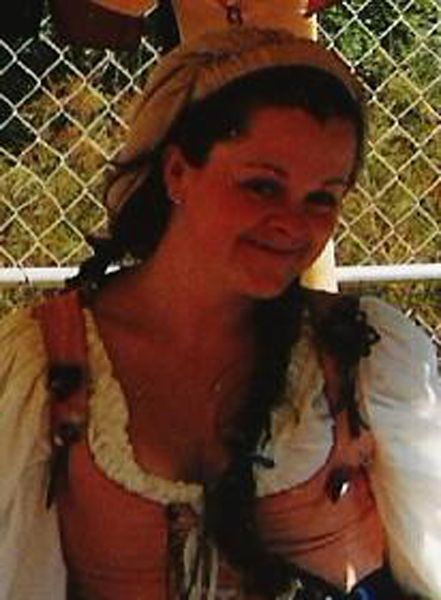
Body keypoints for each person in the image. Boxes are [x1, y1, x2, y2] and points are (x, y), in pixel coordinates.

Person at [0, 26, 440, 600]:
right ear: (178, 172)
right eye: (262, 186)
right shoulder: (48, 364)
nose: (292, 222)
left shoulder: (360, 356)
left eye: (322, 197)